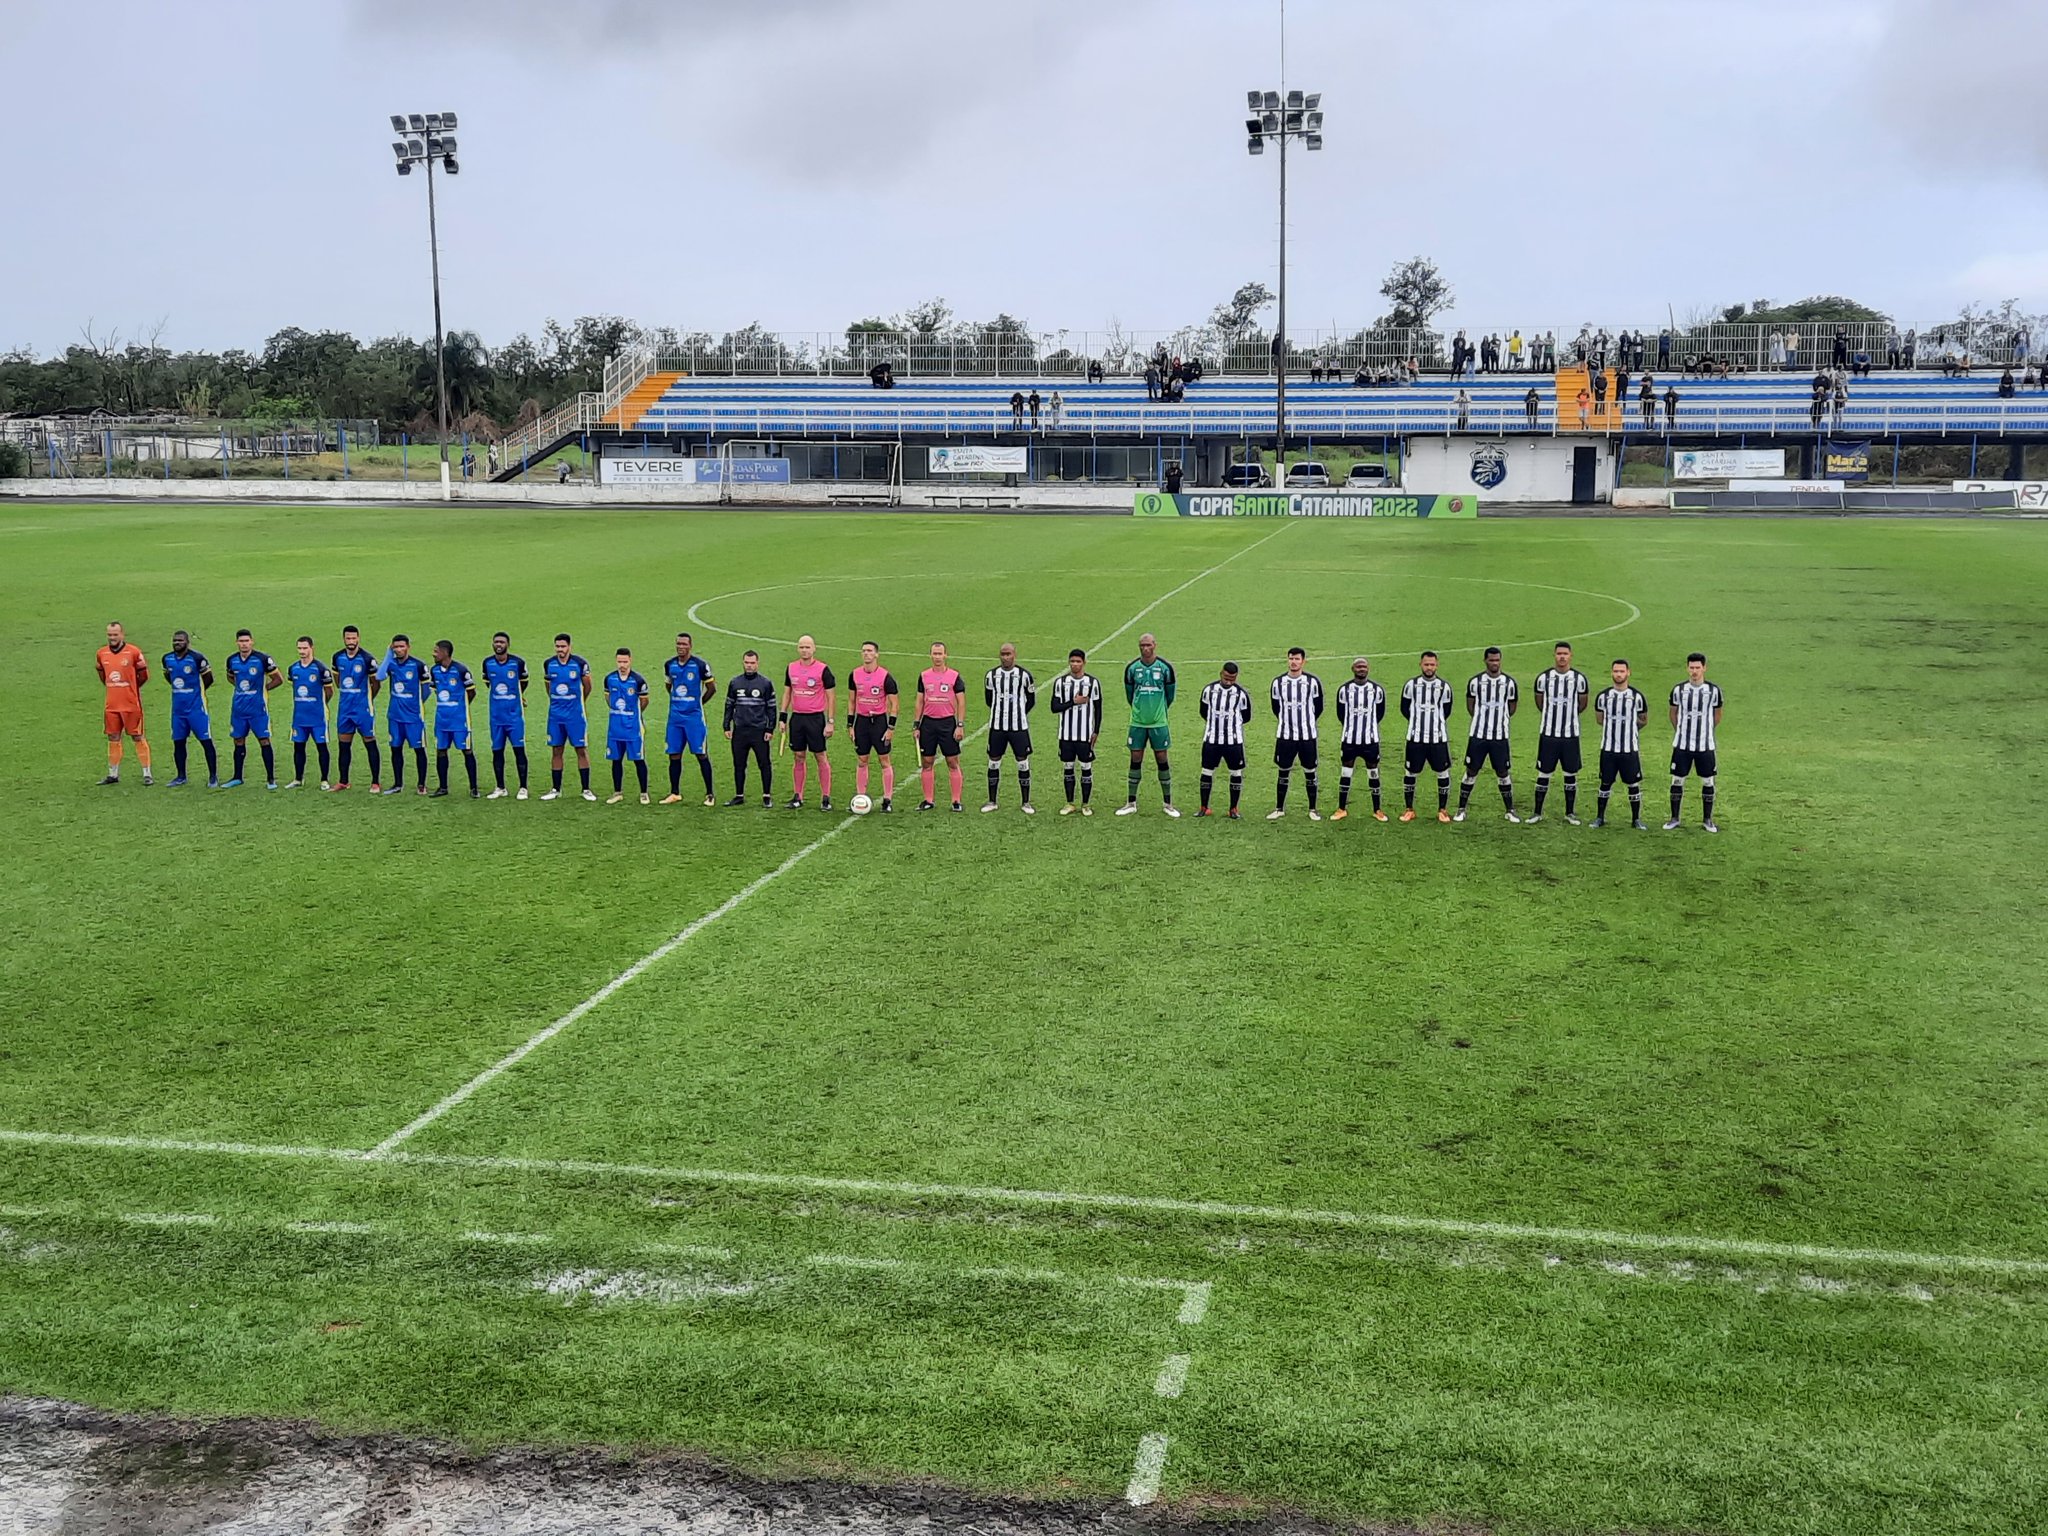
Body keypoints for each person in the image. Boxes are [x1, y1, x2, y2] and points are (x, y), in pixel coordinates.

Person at [1527, 642, 1589, 824]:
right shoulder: (1543, 678)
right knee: (1544, 773)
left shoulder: (1579, 679)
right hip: (1548, 734)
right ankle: (1537, 813)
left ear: (1571, 656)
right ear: (1554, 655)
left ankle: (1570, 813)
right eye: (1559, 653)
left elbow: (1582, 703)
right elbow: (1540, 702)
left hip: (1570, 735)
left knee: (1570, 774)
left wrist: (1569, 716)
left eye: (1565, 654)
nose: (1562, 657)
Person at [1118, 632, 1178, 817]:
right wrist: (1140, 710)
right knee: (1135, 759)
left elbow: (1170, 696)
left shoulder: (1165, 668)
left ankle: (1168, 804)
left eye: (1148, 645)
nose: (1145, 648)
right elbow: (1130, 695)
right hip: (1137, 723)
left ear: (1155, 645)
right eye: (1142, 645)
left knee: (1162, 759)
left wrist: (1158, 710)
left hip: (1159, 723)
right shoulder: (1132, 668)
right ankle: (1131, 802)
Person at [1457, 646, 1519, 822]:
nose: (1494, 663)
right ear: (1485, 661)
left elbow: (1511, 707)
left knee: (1503, 772)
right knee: (1471, 771)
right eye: (1491, 660)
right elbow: (1471, 706)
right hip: (1478, 736)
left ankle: (1510, 810)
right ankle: (1461, 809)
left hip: (1500, 736)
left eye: (1497, 660)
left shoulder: (1509, 683)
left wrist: (1500, 720)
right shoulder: (1475, 682)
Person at [1264, 647, 1324, 820]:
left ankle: (1312, 810)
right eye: (1291, 658)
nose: (1294, 662)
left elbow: (1318, 707)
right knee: (1283, 771)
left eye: (1297, 659)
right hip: (1285, 736)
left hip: (1307, 736)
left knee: (1310, 771)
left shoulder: (1313, 682)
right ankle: (1279, 808)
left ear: (1303, 661)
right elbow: (1276, 707)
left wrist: (1307, 722)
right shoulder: (1278, 683)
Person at [1666, 651, 1723, 832]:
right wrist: (1682, 730)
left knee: (1708, 781)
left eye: (1698, 668)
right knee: (1677, 780)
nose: (1694, 671)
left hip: (1705, 745)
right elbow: (1673, 713)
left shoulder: (1713, 691)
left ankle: (1707, 820)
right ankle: (1675, 818)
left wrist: (1706, 731)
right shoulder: (1678, 690)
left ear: (1704, 668)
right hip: (1682, 745)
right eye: (1691, 668)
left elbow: (1717, 715)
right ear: (1687, 668)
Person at [779, 633, 835, 811]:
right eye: (802, 647)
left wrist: (830, 721)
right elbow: (787, 693)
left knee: (820, 756)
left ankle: (825, 797)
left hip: (816, 719)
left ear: (814, 649)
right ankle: (798, 796)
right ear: (798, 648)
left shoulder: (823, 670)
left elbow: (831, 697)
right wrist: (782, 717)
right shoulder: (791, 668)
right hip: (797, 718)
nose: (804, 650)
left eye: (807, 647)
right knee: (798, 756)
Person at [660, 632, 716, 806]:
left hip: (693, 718)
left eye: (684, 644)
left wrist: (698, 704)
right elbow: (669, 686)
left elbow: (711, 688)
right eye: (678, 644)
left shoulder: (700, 665)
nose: (681, 647)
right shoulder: (669, 665)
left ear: (690, 646)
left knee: (701, 754)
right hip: (675, 718)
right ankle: (675, 792)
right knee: (674, 755)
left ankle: (710, 794)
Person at [95, 621, 152, 787]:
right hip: (112, 705)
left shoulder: (133, 652)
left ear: (122, 634)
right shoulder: (101, 653)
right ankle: (113, 774)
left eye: (115, 634)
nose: (112, 638)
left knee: (137, 736)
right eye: (110, 635)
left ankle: (147, 773)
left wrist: (131, 688)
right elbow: (102, 675)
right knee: (113, 737)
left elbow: (144, 675)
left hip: (131, 704)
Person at [223, 628, 282, 790]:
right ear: (237, 643)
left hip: (258, 709)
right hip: (239, 709)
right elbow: (230, 676)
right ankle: (237, 777)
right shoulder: (232, 660)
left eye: (246, 641)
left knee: (264, 740)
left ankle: (271, 779)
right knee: (238, 740)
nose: (244, 644)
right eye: (241, 641)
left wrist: (264, 689)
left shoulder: (262, 659)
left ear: (252, 642)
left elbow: (278, 679)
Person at [1399, 651, 1455, 822]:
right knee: (1411, 772)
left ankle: (1442, 810)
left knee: (1442, 773)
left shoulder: (1444, 687)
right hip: (1415, 739)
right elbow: (1404, 708)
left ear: (1437, 665)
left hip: (1438, 739)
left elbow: (1446, 710)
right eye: (1426, 664)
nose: (1429, 667)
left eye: (1432, 664)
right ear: (1420, 665)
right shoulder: (1411, 685)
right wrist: (1417, 722)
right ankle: (1409, 809)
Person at [1592, 658, 1648, 829]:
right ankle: (1600, 817)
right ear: (1611, 673)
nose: (1618, 674)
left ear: (1628, 672)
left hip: (1629, 749)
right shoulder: (1603, 697)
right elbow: (1600, 719)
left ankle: (1636, 819)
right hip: (1608, 749)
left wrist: (1630, 730)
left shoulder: (1637, 697)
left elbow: (1643, 720)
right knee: (1605, 783)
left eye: (1622, 671)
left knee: (1633, 784)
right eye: (1616, 671)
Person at [541, 633, 597, 801]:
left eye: (563, 646)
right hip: (556, 716)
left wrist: (580, 701)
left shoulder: (579, 664)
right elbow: (548, 687)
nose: (560, 650)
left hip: (575, 716)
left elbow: (588, 686)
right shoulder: (549, 664)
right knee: (556, 750)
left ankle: (586, 789)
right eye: (557, 646)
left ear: (569, 647)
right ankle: (555, 789)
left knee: (581, 749)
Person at [982, 641, 1036, 814]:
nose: (1005, 657)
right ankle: (992, 801)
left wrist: (1019, 712)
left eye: (1008, 654)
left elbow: (1031, 700)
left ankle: (1026, 802)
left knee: (1022, 762)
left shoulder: (1024, 675)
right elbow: (989, 700)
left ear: (1015, 655)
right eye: (1003, 654)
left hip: (1018, 727)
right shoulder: (991, 676)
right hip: (997, 727)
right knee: (993, 762)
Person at [914, 641, 968, 811]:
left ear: (946, 655)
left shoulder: (954, 676)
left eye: (940, 654)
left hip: (947, 723)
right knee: (927, 761)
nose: (937, 657)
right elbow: (920, 701)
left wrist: (959, 725)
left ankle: (956, 801)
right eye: (934, 654)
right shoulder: (924, 676)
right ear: (930, 655)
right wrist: (917, 725)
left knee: (952, 761)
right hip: (928, 723)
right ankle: (928, 800)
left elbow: (961, 702)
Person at [161, 629, 218, 788]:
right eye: (175, 640)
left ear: (187, 642)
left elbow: (209, 679)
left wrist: (197, 692)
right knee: (178, 743)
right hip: (178, 711)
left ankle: (213, 776)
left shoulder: (197, 658)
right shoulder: (167, 659)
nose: (177, 643)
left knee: (206, 742)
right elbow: (169, 676)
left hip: (196, 709)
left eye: (180, 640)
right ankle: (181, 776)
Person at [1194, 661, 1252, 819]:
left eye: (1232, 679)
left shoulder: (1241, 694)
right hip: (1212, 740)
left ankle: (1233, 809)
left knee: (1236, 772)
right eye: (1226, 678)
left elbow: (1246, 717)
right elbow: (1203, 711)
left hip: (1233, 741)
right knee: (1206, 771)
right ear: (1221, 673)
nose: (1228, 682)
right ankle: (1204, 807)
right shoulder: (1209, 690)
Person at [1049, 647, 1103, 815]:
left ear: (1084, 663)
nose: (1075, 664)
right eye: (1072, 661)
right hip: (1066, 735)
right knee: (1068, 767)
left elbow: (1098, 709)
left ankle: (1086, 804)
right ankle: (1070, 803)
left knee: (1086, 768)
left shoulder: (1093, 683)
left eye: (1078, 661)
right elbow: (1054, 707)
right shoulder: (1060, 683)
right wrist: (1073, 702)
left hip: (1085, 735)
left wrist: (1096, 731)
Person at [1333, 656, 1386, 821]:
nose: (1361, 669)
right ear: (1353, 669)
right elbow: (1341, 713)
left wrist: (1368, 727)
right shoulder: (1344, 690)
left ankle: (1377, 810)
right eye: (1358, 667)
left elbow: (1380, 713)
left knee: (1373, 773)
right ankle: (1341, 809)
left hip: (1370, 740)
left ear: (1368, 669)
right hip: (1349, 740)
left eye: (1364, 666)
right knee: (1346, 772)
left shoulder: (1377, 690)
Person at [848, 640, 898, 812]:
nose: (866, 654)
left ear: (876, 654)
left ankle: (887, 799)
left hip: (879, 722)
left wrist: (890, 728)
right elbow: (851, 700)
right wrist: (850, 724)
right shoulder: (854, 675)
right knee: (862, 760)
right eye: (864, 651)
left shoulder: (885, 677)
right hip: (861, 722)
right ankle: (860, 795)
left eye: (870, 651)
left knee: (884, 760)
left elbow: (894, 704)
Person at [722, 650, 777, 807]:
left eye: (752, 663)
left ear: (757, 664)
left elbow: (771, 708)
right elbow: (729, 705)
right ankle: (739, 795)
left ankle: (766, 796)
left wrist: (769, 729)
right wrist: (726, 725)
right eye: (747, 662)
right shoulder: (735, 683)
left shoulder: (765, 683)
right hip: (740, 730)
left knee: (764, 763)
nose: (749, 666)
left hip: (759, 730)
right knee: (739, 764)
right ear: (743, 663)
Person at [478, 632, 529, 800]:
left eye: (502, 642)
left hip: (514, 717)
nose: (498, 644)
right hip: (496, 717)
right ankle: (500, 787)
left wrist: (518, 695)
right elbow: (488, 683)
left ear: (508, 644)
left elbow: (524, 682)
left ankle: (523, 787)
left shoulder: (518, 663)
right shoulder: (487, 663)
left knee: (519, 751)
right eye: (496, 642)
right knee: (497, 752)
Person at [331, 625, 381, 792]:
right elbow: (337, 678)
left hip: (363, 709)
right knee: (344, 745)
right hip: (345, 709)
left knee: (370, 743)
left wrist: (367, 699)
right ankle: (343, 781)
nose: (351, 641)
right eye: (348, 638)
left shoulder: (367, 659)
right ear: (343, 639)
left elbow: (376, 683)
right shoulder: (337, 657)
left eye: (354, 638)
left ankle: (375, 782)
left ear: (358, 638)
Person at [428, 640, 480, 798]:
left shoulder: (461, 670)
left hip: (459, 720)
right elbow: (436, 690)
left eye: (436, 651)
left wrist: (460, 707)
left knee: (467, 750)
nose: (433, 654)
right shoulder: (434, 670)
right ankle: (443, 787)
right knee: (441, 751)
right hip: (442, 720)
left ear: (445, 653)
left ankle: (474, 788)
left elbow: (472, 692)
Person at [284, 636, 333, 791]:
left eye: (305, 648)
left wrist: (321, 703)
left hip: (318, 716)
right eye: (299, 648)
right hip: (299, 717)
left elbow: (329, 691)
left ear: (312, 648)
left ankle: (324, 780)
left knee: (321, 747)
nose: (302, 651)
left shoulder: (320, 669)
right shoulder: (293, 669)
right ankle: (298, 778)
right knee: (298, 747)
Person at [603, 648, 650, 804]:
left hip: (633, 729)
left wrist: (633, 713)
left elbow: (644, 701)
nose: (622, 665)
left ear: (630, 660)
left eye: (625, 661)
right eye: (619, 661)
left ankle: (644, 793)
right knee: (616, 760)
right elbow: (608, 697)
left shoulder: (638, 681)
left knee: (638, 760)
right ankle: (617, 792)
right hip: (615, 728)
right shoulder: (609, 679)